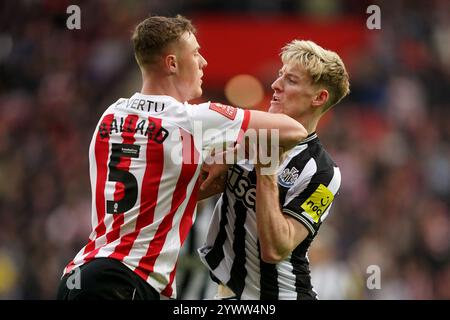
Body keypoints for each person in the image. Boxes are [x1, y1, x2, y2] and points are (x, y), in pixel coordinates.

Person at [56, 15, 307, 300]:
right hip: (125, 280)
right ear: (172, 63)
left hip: (82, 275)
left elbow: (161, 186)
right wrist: (234, 153)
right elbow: (293, 130)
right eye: (196, 53)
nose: (203, 63)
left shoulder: (111, 114)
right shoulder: (191, 120)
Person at [198, 39, 350, 299]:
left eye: (290, 80)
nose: (275, 85)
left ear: (319, 97)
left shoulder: (325, 174)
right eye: (280, 75)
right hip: (227, 291)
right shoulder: (245, 135)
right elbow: (191, 192)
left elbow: (276, 249)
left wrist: (265, 170)